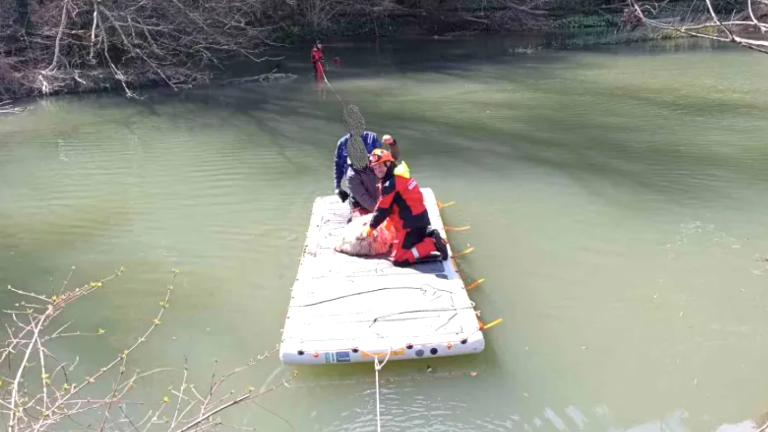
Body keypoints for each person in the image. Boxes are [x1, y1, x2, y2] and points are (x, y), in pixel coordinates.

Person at [360, 149, 449, 266]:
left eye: (380, 166)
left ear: (388, 164)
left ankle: (432, 244)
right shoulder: (400, 175)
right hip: (419, 221)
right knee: (398, 243)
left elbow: (382, 210)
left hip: (409, 227)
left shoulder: (389, 185)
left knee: (398, 260)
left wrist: (370, 228)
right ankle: (427, 234)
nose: (378, 170)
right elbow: (400, 203)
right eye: (375, 168)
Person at [346, 134, 399, 219]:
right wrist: (381, 211)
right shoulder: (351, 175)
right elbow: (363, 198)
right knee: (363, 227)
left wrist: (392, 144)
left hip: (380, 198)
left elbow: (392, 158)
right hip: (362, 206)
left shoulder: (374, 158)